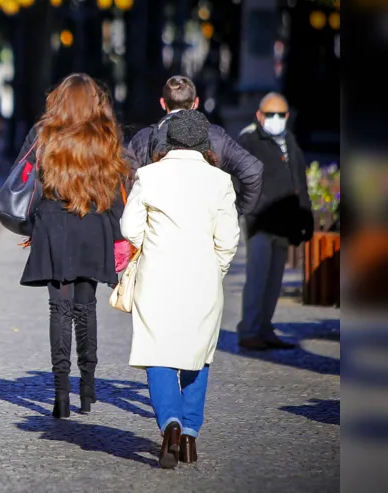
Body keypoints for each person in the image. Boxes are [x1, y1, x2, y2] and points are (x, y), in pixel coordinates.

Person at [120, 109, 241, 469]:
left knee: (158, 352)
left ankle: (169, 422)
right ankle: (189, 433)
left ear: (168, 140)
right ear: (205, 144)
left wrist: (151, 244)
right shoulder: (220, 181)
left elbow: (129, 228)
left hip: (157, 276)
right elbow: (228, 239)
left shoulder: (148, 175)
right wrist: (216, 268)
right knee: (198, 353)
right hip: (203, 278)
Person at [17, 73, 130, 419]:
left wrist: (31, 225)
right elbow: (115, 189)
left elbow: (26, 180)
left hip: (54, 225)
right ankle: (88, 388)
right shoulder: (106, 136)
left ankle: (61, 393)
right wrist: (119, 236)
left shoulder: (44, 135)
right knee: (86, 306)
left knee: (59, 309)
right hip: (93, 224)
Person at [235, 92, 313, 351]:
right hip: (260, 223)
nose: (276, 119)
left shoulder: (289, 140)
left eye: (281, 114)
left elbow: (298, 180)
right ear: (259, 115)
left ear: (287, 116)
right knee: (257, 278)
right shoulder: (249, 140)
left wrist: (306, 216)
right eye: (271, 115)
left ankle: (265, 328)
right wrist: (252, 208)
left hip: (285, 222)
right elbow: (239, 179)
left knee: (274, 280)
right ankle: (249, 330)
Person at [125, 76, 263, 215]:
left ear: (163, 103)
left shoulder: (143, 139)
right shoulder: (215, 136)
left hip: (158, 229)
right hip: (206, 227)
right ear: (196, 102)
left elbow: (128, 185)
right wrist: (235, 211)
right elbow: (253, 171)